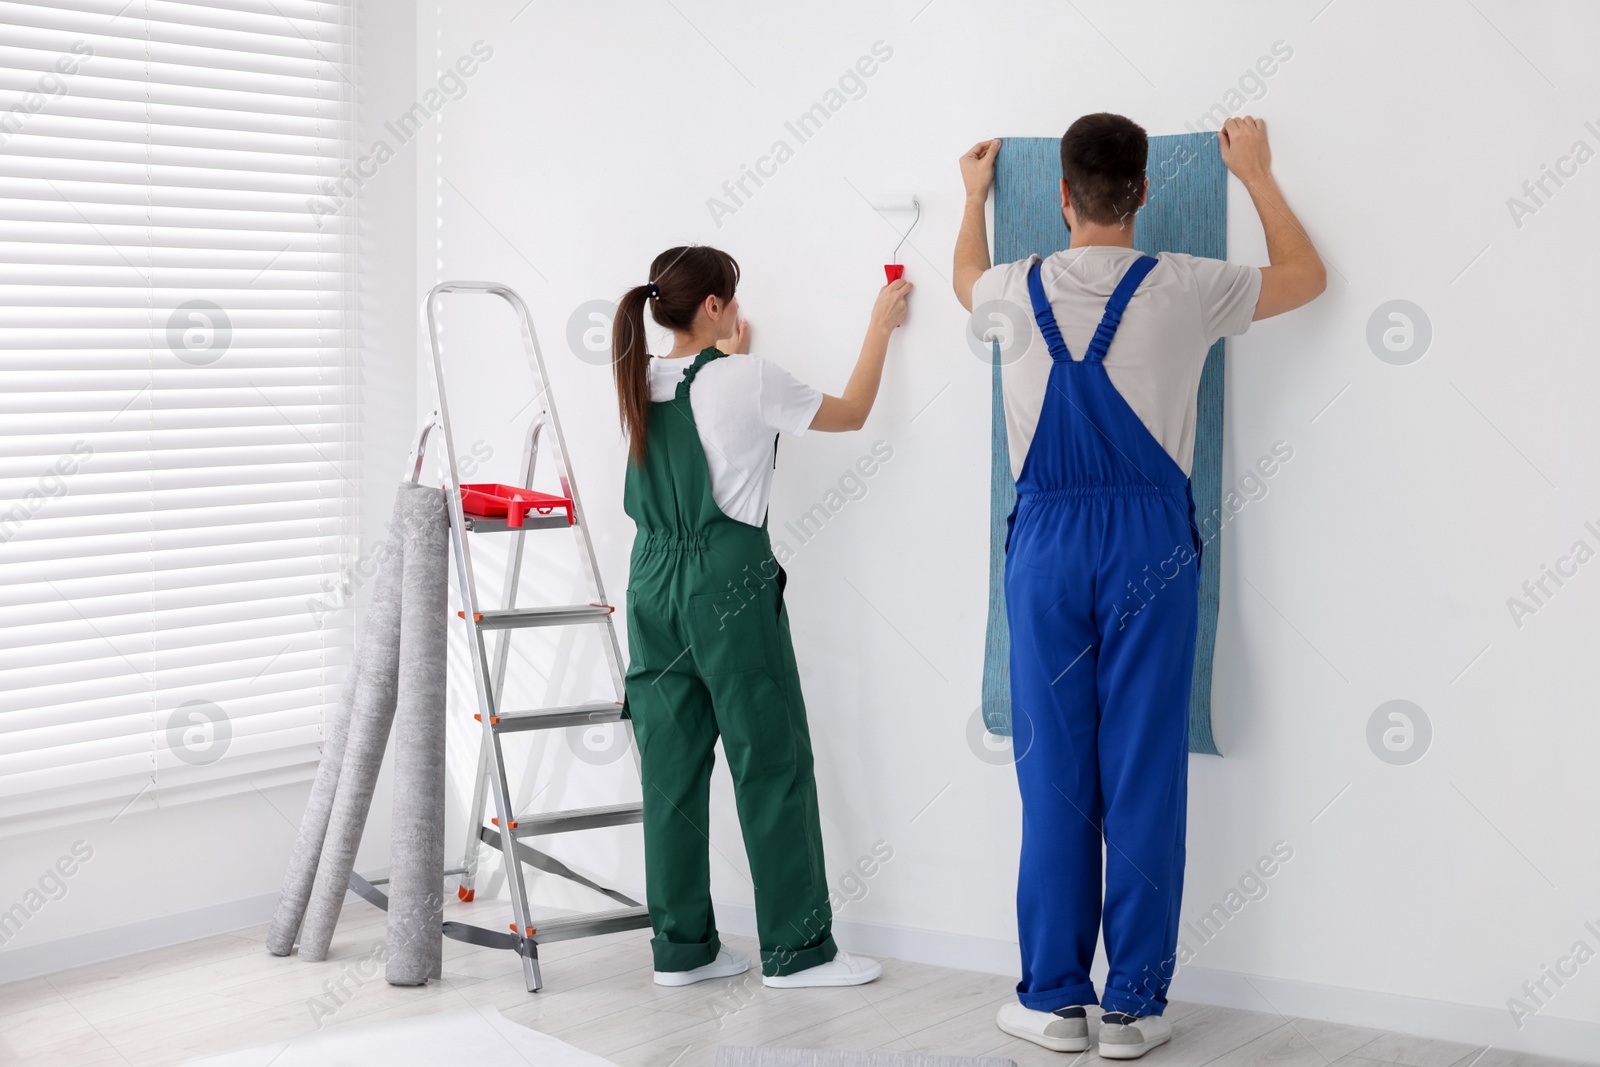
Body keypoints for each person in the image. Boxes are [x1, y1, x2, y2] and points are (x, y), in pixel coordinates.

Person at [952, 115, 1325, 1058]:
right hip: (1151, 546)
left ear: (1064, 198)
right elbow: (1308, 278)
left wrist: (970, 200)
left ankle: (1054, 1001)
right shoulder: (1191, 285)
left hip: (1044, 546)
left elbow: (961, 280)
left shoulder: (1007, 286)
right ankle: (1133, 1008)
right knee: (1145, 771)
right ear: (1146, 194)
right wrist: (1258, 176)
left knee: (1055, 776)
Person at [613, 244, 912, 988]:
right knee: (769, 756)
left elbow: (704, 402)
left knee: (671, 766)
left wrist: (722, 356)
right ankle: (797, 952)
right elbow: (853, 414)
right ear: (714, 306)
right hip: (725, 579)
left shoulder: (638, 377)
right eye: (732, 298)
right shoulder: (745, 379)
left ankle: (682, 949)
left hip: (650, 579)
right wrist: (880, 324)